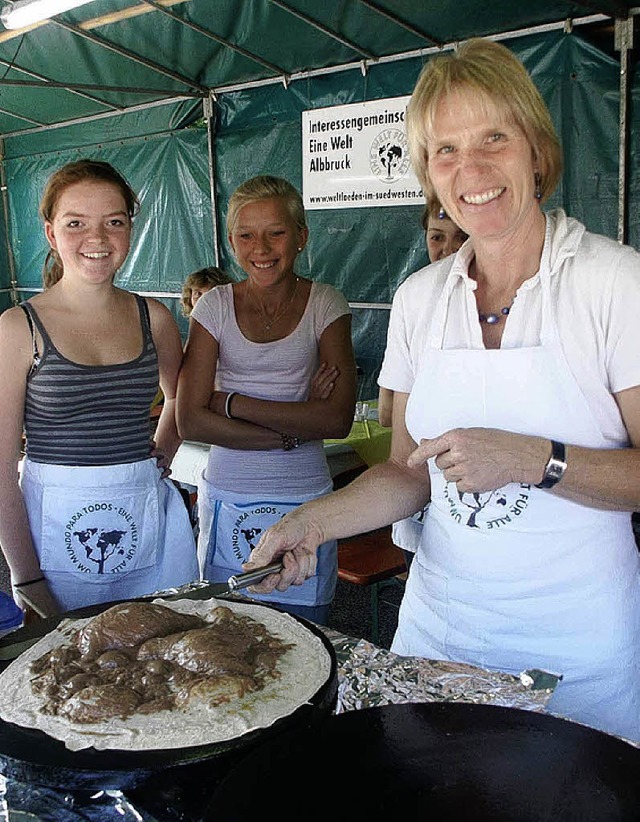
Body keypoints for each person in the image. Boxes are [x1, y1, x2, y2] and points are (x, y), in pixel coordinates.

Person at [242, 39, 640, 744]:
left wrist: (534, 459)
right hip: (440, 631)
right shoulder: (422, 297)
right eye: (446, 150)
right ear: (428, 172)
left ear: (536, 150)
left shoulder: (615, 283)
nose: (473, 169)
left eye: (494, 137)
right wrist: (311, 523)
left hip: (577, 650)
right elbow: (406, 472)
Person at [0, 159, 198, 618]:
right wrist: (25, 576)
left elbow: (180, 394)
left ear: (130, 229)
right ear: (51, 234)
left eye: (114, 222)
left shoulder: (156, 318)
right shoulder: (17, 328)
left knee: (160, 661)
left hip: (146, 520)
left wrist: (163, 453)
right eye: (76, 224)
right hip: (52, 536)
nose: (97, 238)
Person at [176, 175, 356, 625]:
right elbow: (190, 422)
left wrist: (233, 403)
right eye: (246, 235)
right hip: (229, 493)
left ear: (301, 237)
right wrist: (290, 432)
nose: (261, 247)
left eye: (275, 232)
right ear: (232, 242)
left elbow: (336, 421)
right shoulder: (213, 306)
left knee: (310, 634)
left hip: (305, 499)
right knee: (226, 631)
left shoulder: (325, 304)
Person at [379, 199, 468, 568]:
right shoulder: (414, 300)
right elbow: (388, 414)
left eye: (461, 237)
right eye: (437, 237)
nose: (448, 250)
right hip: (423, 494)